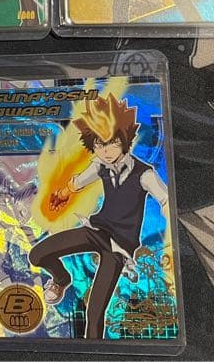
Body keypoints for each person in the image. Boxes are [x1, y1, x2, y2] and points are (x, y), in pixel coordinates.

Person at [29, 94, 169, 339]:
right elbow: (78, 182)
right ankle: (62, 278)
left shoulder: (144, 175)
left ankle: (93, 350)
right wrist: (62, 194)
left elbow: (166, 199)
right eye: (100, 145)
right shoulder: (100, 166)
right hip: (96, 231)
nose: (106, 151)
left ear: (126, 140)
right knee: (37, 254)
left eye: (112, 143)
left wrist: (170, 223)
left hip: (119, 246)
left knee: (94, 311)